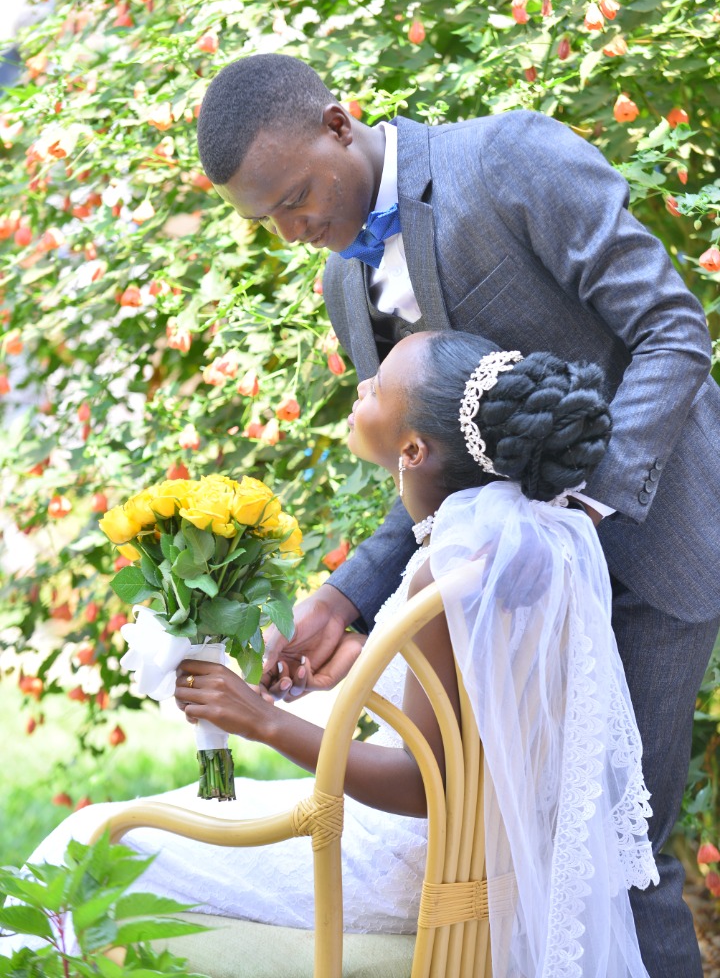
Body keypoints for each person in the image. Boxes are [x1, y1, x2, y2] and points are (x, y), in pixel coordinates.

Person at [196, 53, 720, 977]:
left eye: (297, 197)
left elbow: (672, 330)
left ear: (339, 123)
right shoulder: (343, 285)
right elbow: (430, 457)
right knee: (538, 853)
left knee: (617, 860)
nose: (294, 230)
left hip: (652, 550)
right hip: (514, 602)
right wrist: (343, 599)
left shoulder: (512, 159)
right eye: (267, 218)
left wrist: (581, 509)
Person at [3, 331, 656, 976]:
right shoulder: (521, 549)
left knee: (87, 840)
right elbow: (471, 714)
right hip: (470, 850)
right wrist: (365, 660)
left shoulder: (445, 571)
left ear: (411, 450)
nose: (361, 384)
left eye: (378, 387)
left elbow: (425, 784)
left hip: (403, 863)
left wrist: (262, 722)